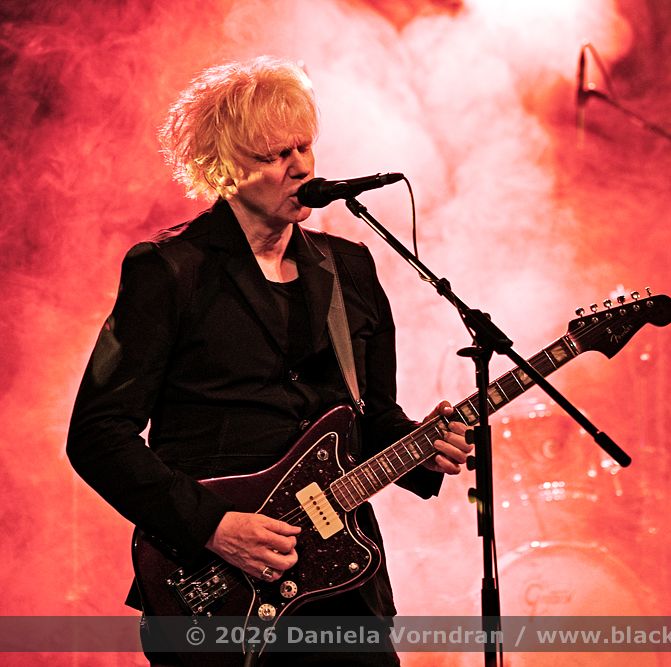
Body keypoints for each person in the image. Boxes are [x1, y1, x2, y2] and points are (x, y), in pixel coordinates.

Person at [67, 56, 471, 665]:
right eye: (276, 154)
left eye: (304, 146)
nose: (302, 166)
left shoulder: (349, 268)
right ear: (222, 169)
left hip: (344, 591)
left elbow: (372, 416)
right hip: (215, 590)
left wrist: (423, 445)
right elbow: (97, 435)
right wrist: (212, 526)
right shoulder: (169, 270)